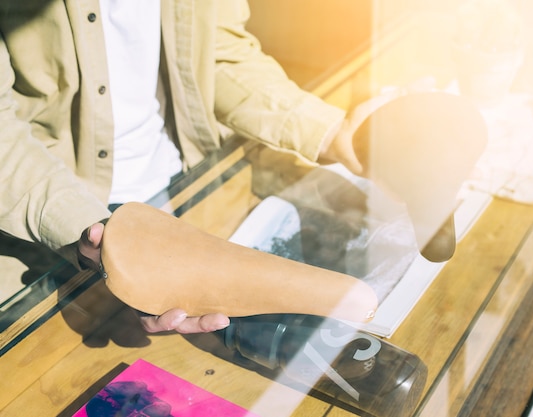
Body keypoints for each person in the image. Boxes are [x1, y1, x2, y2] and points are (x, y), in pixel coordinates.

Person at [0, 1, 364, 334]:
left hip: (192, 188)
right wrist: (108, 237)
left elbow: (216, 54)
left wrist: (331, 132)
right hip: (45, 233)